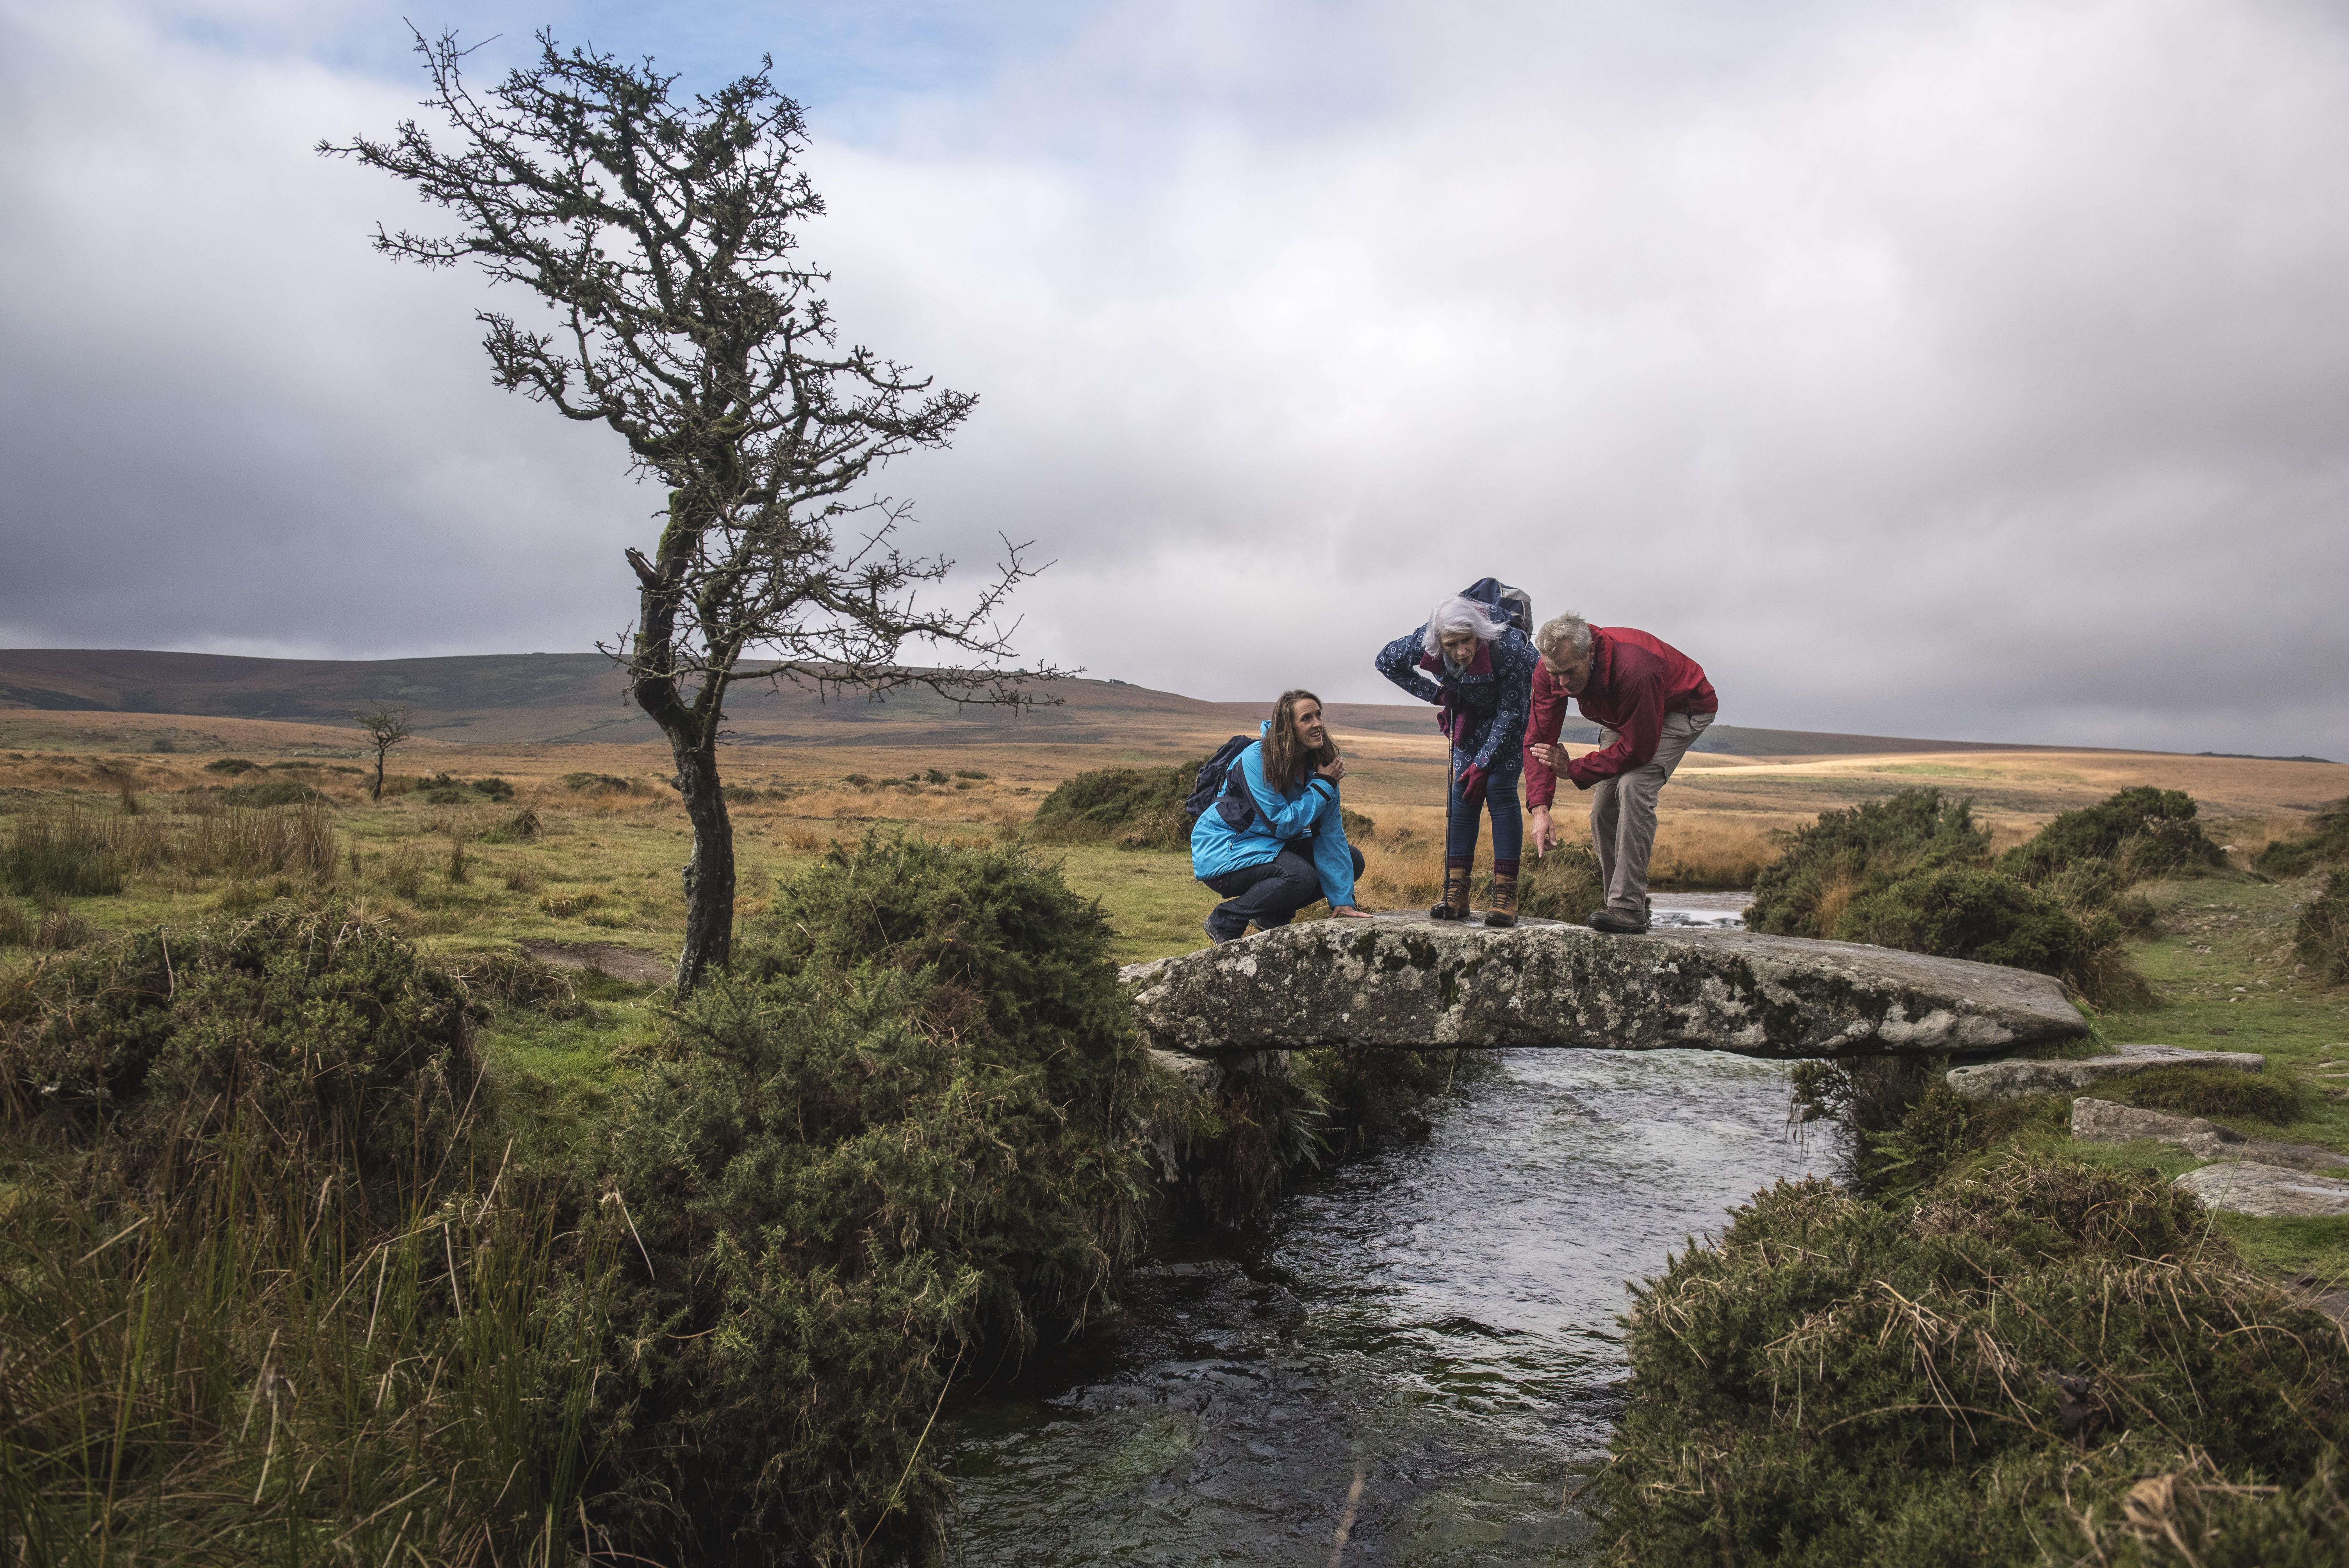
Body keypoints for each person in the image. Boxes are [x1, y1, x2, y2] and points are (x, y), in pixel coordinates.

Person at [1523, 613, 1718, 934]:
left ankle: (1627, 908)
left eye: (1570, 672)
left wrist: (1574, 769)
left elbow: (1638, 750)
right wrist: (1540, 809)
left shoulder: (1636, 668)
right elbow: (1540, 741)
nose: (1563, 684)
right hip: (1624, 713)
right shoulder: (1551, 671)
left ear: (1590, 653)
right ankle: (1617, 906)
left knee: (1633, 786)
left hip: (1683, 708)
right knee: (1603, 809)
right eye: (1555, 674)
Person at [1374, 593, 1539, 925]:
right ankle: (1456, 890)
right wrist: (1435, 693)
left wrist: (1483, 764)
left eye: (1468, 642)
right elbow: (1385, 661)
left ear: (1479, 633)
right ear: (1439, 642)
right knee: (1462, 793)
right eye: (1452, 645)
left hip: (1512, 715)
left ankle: (1506, 894)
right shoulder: (1425, 641)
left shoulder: (1509, 648)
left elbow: (1512, 712)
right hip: (1470, 716)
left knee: (1500, 790)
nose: (1462, 651)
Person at [1191, 689, 1373, 944]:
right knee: (1300, 876)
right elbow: (1281, 824)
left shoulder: (1321, 764)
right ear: (1287, 727)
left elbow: (1329, 833)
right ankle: (1226, 919)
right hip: (1225, 849)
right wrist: (1322, 785)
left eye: (1319, 716)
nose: (1318, 724)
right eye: (1307, 719)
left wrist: (1343, 902)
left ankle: (1271, 914)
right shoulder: (1256, 760)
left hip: (1270, 847)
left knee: (1352, 860)